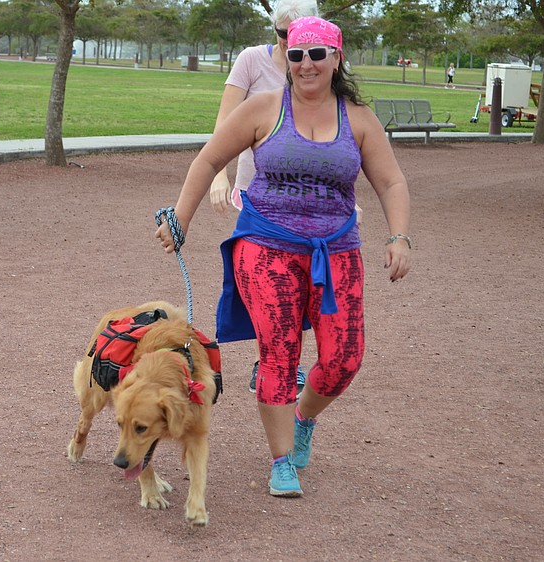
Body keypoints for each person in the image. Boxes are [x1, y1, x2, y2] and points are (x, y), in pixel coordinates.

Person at [156, 16, 411, 498]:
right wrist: (180, 219)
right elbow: (209, 158)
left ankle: (303, 418)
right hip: (266, 247)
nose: (306, 64)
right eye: (296, 55)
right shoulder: (264, 108)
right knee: (279, 354)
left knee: (344, 359)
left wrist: (400, 237)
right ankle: (281, 461)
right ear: (287, 59)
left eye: (317, 54)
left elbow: (391, 181)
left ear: (337, 58)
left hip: (336, 250)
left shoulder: (357, 117)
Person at [208, 0, 360, 395]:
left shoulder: (320, 63)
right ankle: (277, 357)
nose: (294, 50)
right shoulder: (252, 61)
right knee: (275, 281)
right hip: (258, 192)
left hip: (320, 201)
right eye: (284, 38)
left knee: (310, 281)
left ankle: (283, 356)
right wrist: (218, 178)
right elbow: (225, 123)